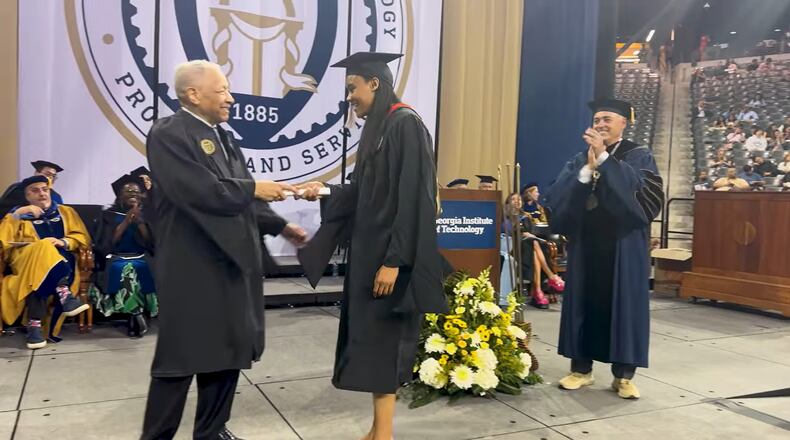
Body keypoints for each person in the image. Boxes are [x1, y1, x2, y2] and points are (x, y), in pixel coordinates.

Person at [139, 60, 306, 440]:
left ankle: (212, 431)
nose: (231, 98)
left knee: (227, 351)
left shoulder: (224, 137)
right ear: (193, 94)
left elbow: (244, 194)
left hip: (231, 264)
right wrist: (252, 189)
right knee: (180, 358)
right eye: (223, 90)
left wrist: (280, 224)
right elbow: (198, 190)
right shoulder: (170, 133)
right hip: (192, 266)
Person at [296, 52, 449, 440]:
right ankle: (379, 429)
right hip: (371, 255)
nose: (350, 97)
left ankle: (383, 434)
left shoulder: (406, 124)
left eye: (353, 88)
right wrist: (326, 190)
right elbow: (367, 193)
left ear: (374, 83)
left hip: (388, 258)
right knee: (374, 340)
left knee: (385, 342)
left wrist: (394, 261)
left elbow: (414, 200)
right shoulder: (378, 128)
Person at [546, 99, 664, 400]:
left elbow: (645, 201)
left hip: (623, 245)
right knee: (583, 305)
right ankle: (580, 370)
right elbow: (558, 198)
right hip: (588, 245)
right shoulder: (579, 158)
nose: (600, 124)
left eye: (607, 119)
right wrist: (586, 170)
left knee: (625, 305)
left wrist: (606, 161)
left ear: (624, 122)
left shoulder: (639, 155)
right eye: (596, 119)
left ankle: (623, 377)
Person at [0, 176, 90, 349]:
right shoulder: (17, 215)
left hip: (64, 262)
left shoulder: (66, 212)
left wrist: (63, 242)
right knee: (43, 247)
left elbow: (82, 237)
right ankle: (65, 293)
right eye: (35, 190)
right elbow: (3, 240)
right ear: (27, 196)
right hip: (26, 260)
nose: (42, 193)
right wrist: (17, 214)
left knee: (40, 274)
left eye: (44, 189)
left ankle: (34, 327)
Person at [89, 174, 157, 337]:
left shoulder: (147, 215)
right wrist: (126, 221)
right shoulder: (108, 215)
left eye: (136, 191)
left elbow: (152, 244)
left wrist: (140, 221)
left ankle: (137, 315)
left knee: (142, 266)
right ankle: (136, 314)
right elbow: (106, 244)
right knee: (127, 268)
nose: (133, 194)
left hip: (143, 255)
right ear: (119, 195)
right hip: (115, 257)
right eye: (128, 191)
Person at [504, 191, 564, 309]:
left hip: (528, 248)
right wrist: (520, 233)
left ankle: (538, 290)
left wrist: (528, 235)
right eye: (513, 199)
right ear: (508, 203)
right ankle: (551, 277)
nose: (517, 202)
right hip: (514, 248)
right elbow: (507, 233)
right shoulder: (505, 216)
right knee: (534, 244)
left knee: (536, 246)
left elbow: (531, 232)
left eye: (519, 200)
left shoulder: (526, 216)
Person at [0, 161, 65, 213]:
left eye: (54, 176)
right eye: (48, 174)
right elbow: (3, 211)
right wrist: (19, 211)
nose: (51, 178)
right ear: (36, 173)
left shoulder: (56, 196)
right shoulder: (18, 188)